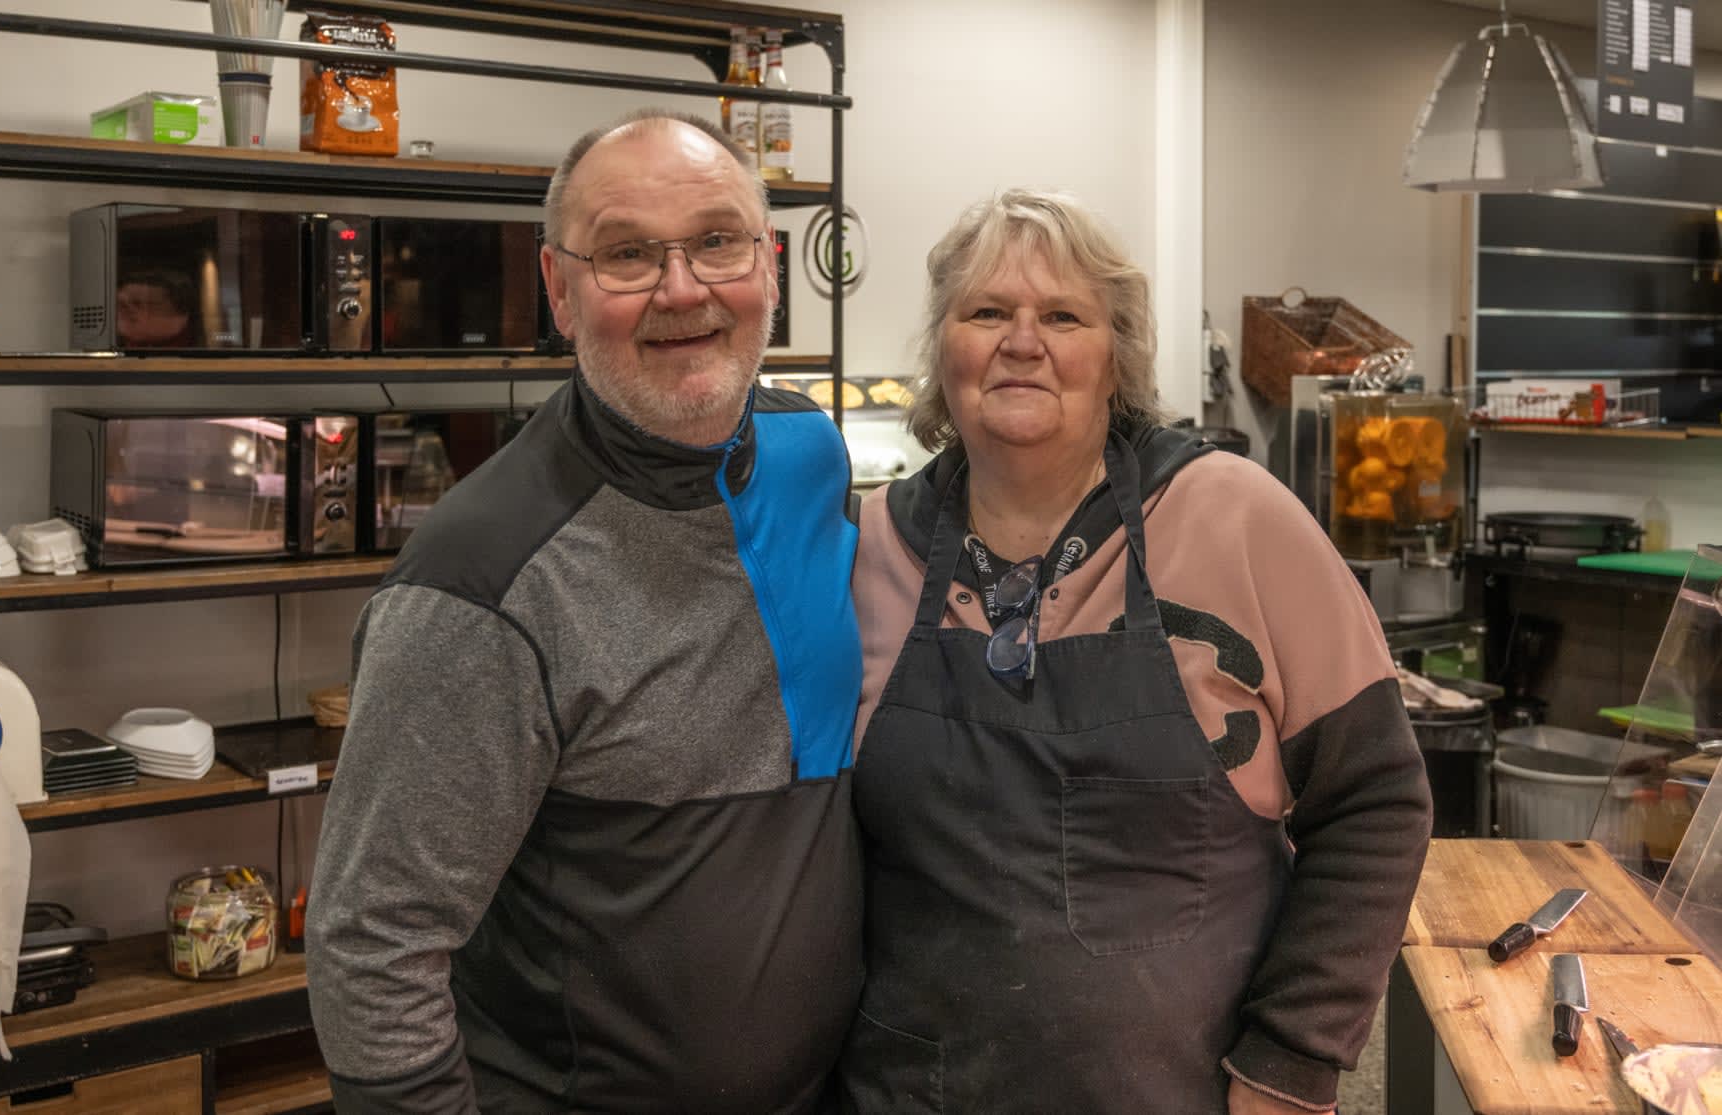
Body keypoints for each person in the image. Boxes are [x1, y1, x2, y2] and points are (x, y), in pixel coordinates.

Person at [307, 110, 864, 1113]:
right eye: (627, 254)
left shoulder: (809, 452)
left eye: (717, 241)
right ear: (560, 290)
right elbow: (371, 944)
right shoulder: (481, 583)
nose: (683, 289)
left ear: (770, 266)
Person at [843, 189, 1431, 1114]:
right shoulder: (873, 544)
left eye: (1064, 316)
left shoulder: (1233, 517)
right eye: (986, 311)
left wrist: (1292, 1060)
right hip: (916, 1090)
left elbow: (1377, 799)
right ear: (942, 349)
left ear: (1115, 357)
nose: (1022, 340)